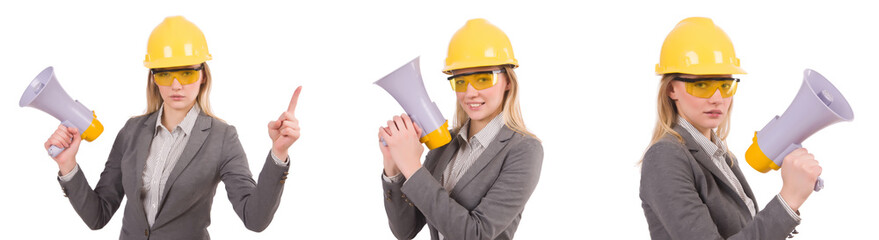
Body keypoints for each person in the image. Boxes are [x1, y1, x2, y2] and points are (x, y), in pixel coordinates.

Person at [45, 16, 301, 239]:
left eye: (186, 73)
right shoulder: (131, 132)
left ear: (203, 76)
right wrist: (68, 165)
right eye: (165, 74)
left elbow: (254, 219)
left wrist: (278, 154)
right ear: (154, 78)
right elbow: (97, 216)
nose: (176, 85)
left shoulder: (222, 138)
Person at [639, 17, 823, 239]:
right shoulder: (665, 156)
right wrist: (788, 201)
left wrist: (789, 204)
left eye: (725, 85)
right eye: (701, 85)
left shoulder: (720, 155)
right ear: (671, 89)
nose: (717, 98)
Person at [378, 18, 543, 240]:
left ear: (508, 82)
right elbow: (405, 230)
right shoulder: (445, 143)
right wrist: (394, 166)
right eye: (461, 81)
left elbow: (476, 234)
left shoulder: (524, 150)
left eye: (483, 78)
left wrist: (412, 166)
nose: (470, 92)